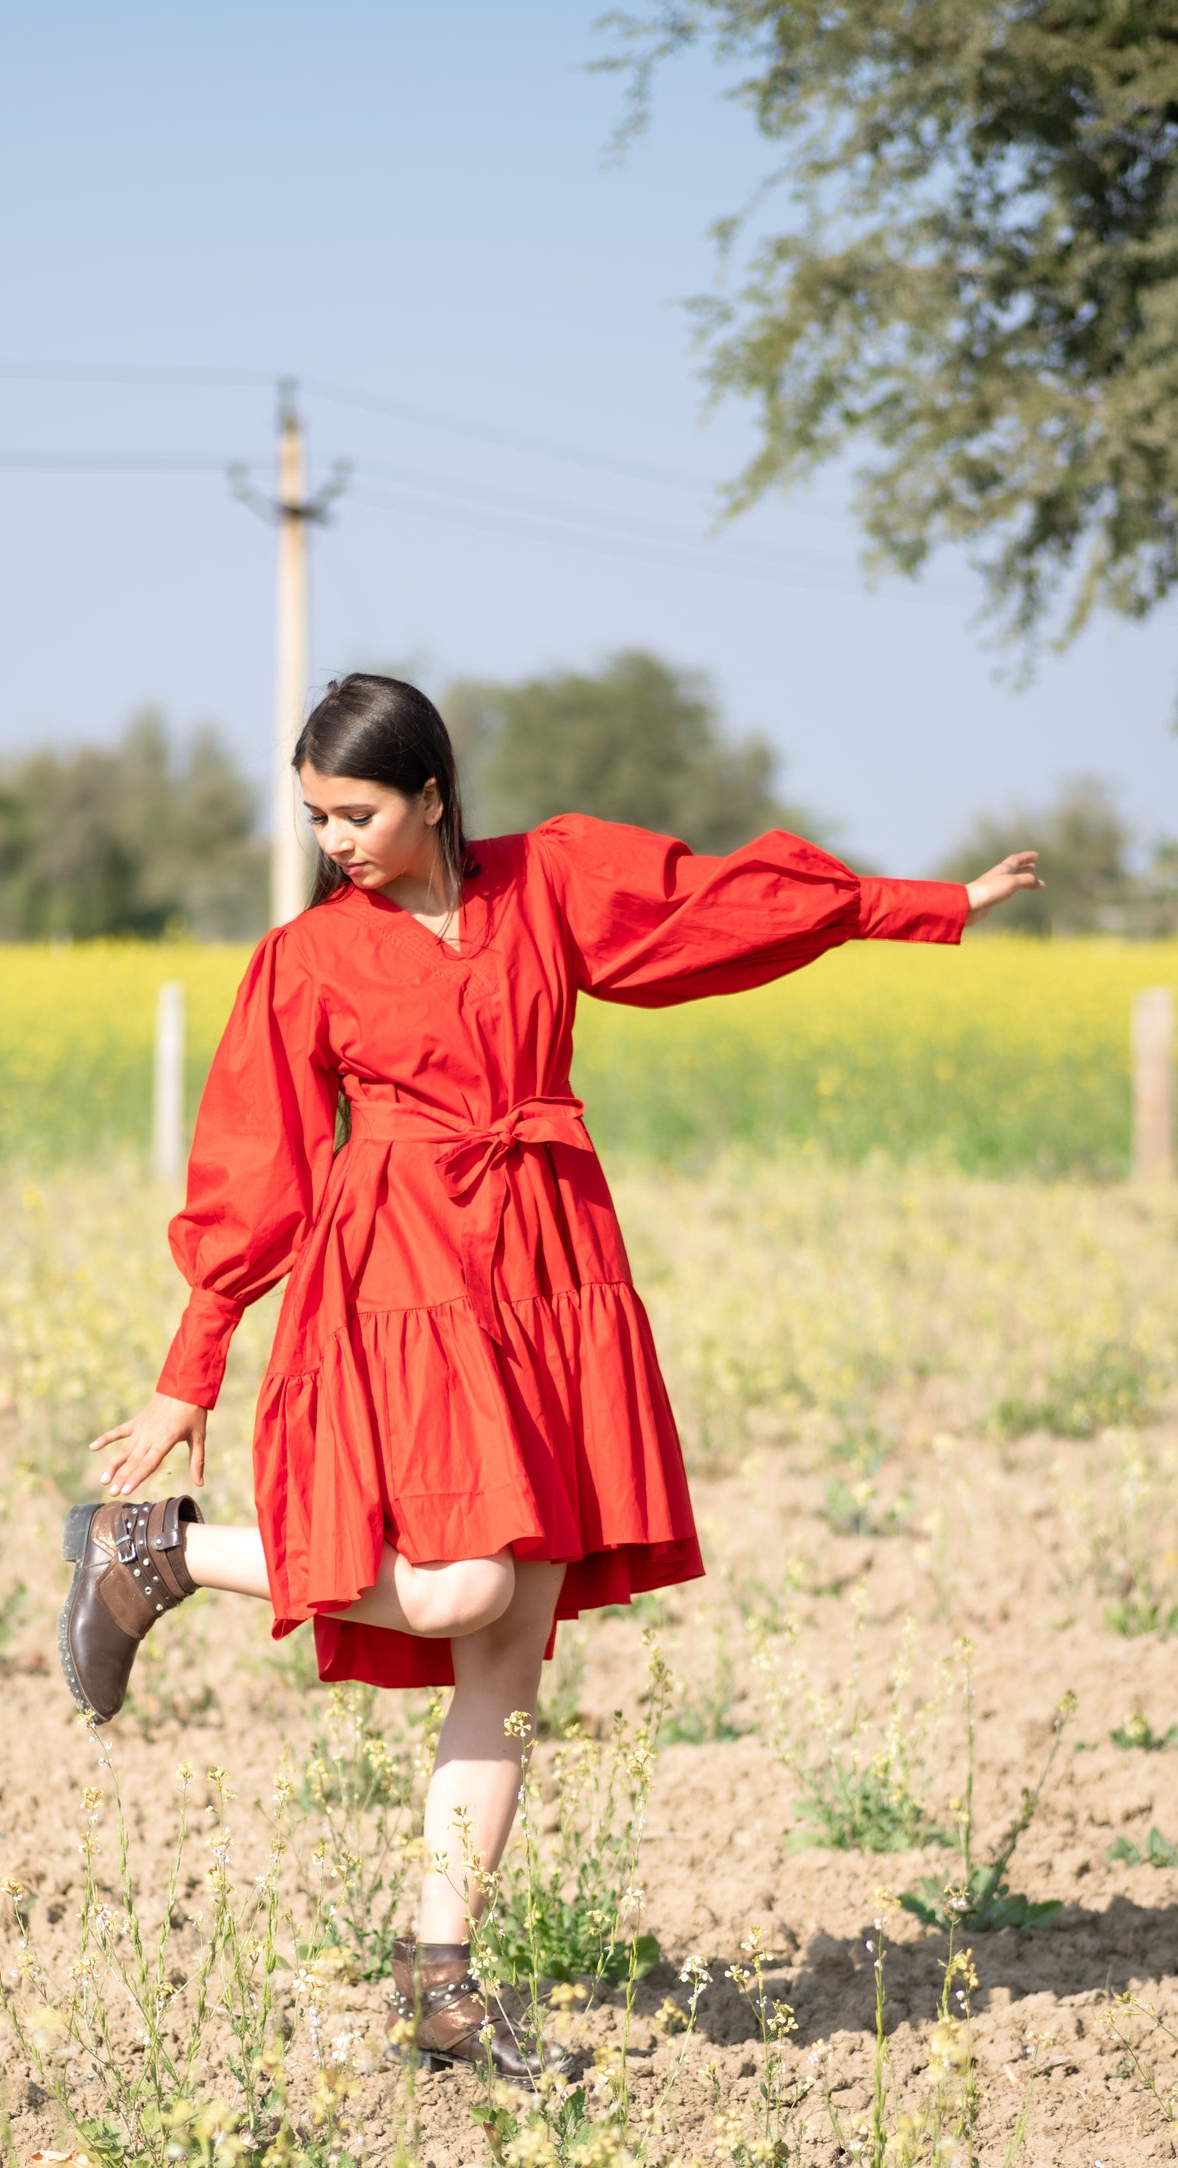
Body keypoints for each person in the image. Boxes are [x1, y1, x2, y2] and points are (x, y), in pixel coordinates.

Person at [59, 673, 1039, 2081]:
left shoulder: (547, 882)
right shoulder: (307, 959)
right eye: (315, 817)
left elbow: (713, 910)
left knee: (508, 1649)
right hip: (398, 1277)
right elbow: (252, 1167)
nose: (332, 839)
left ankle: (440, 1974)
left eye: (358, 812)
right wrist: (185, 1371)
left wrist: (923, 905)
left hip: (543, 1263)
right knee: (458, 1586)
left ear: (436, 794)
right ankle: (156, 1551)